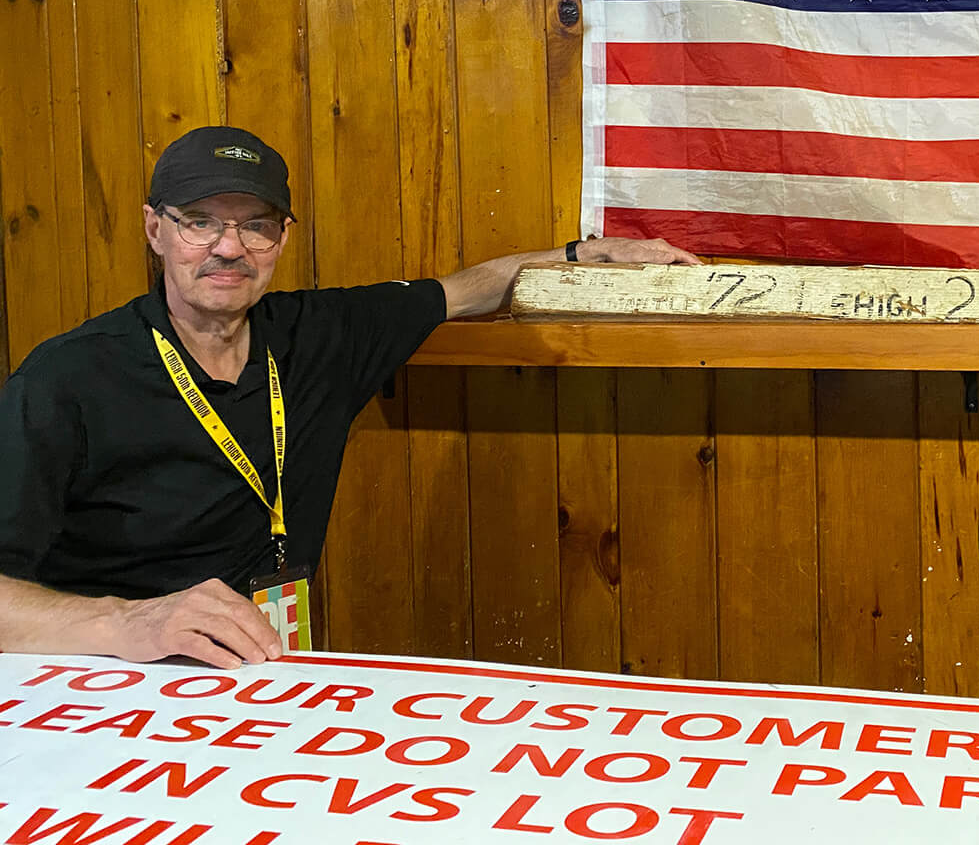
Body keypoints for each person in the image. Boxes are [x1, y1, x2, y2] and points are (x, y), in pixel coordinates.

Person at [0, 126, 699, 669]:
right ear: (156, 229)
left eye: (256, 224)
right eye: (200, 221)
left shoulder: (318, 334)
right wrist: (124, 623)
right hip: (102, 687)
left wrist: (589, 255)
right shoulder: (67, 378)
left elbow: (471, 287)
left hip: (264, 675)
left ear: (282, 237)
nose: (229, 246)